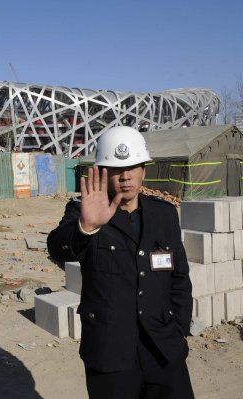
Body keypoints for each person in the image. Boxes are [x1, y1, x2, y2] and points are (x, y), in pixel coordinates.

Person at [47, 126, 193, 399]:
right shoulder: (84, 212)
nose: (125, 176)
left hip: (163, 347)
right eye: (116, 169)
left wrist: (180, 331)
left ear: (143, 171)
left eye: (132, 167)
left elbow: (180, 280)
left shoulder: (164, 215)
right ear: (103, 173)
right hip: (110, 352)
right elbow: (57, 248)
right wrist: (86, 226)